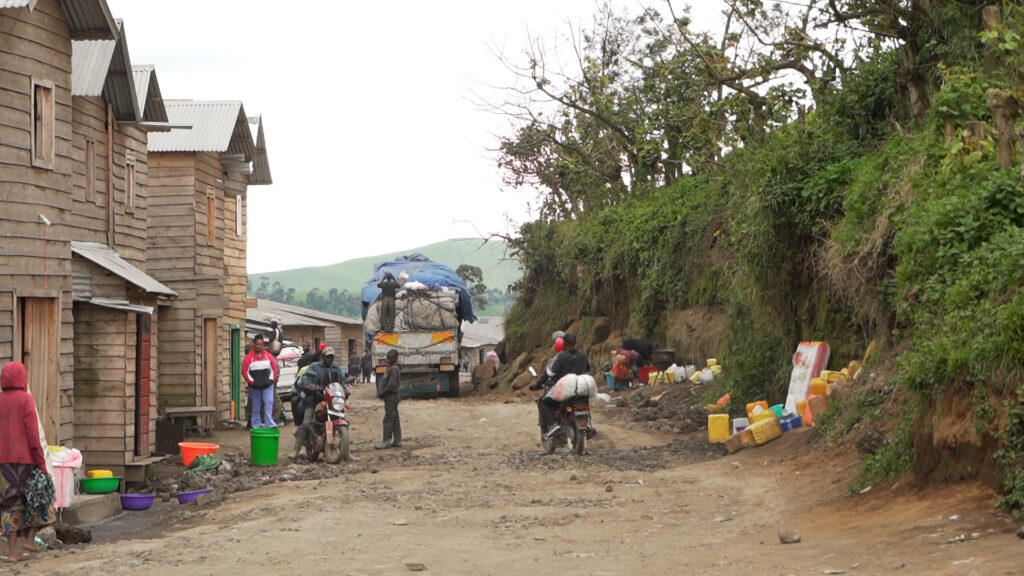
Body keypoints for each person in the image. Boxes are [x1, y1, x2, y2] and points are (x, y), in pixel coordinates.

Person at [0, 362, 54, 563]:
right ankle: (30, 539)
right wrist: (41, 463)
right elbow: (33, 435)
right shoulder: (26, 400)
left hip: (2, 464)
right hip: (25, 462)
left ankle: (13, 551)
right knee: (42, 497)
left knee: (9, 505)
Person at [289, 347, 345, 460]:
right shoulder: (314, 367)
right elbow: (304, 379)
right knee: (306, 423)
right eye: (328, 356)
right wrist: (309, 385)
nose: (330, 359)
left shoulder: (337, 368)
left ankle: (346, 452)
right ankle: (296, 449)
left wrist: (345, 389)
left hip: (332, 400)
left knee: (344, 419)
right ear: (323, 357)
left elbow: (342, 383)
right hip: (315, 399)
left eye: (332, 357)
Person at [529, 332, 591, 434]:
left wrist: (537, 385)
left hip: (564, 391)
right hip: (580, 391)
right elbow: (587, 369)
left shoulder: (560, 357)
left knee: (542, 402)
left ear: (564, 344)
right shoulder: (583, 355)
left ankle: (551, 425)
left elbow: (548, 373)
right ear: (575, 343)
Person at [242, 334, 279, 429]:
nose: (259, 346)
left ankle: (270, 424)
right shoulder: (249, 358)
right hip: (254, 387)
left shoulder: (268, 356)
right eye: (257, 344)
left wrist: (271, 380)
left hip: (267, 385)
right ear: (254, 344)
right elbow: (245, 371)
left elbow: (274, 369)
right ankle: (256, 425)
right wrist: (252, 382)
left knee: (269, 402)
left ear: (263, 345)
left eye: (261, 344)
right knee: (256, 405)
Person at [375, 349, 401, 449]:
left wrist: (382, 392)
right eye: (387, 358)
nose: (388, 360)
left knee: (389, 418)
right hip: (391, 396)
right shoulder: (391, 368)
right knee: (395, 418)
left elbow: (391, 385)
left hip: (391, 397)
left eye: (390, 358)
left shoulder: (394, 369)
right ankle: (397, 440)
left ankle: (386, 441)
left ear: (395, 358)